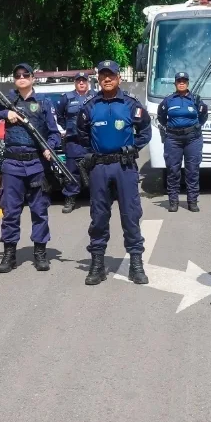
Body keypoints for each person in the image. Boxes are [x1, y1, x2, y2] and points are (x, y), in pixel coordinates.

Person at [77, 60, 152, 286]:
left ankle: (136, 264)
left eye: (111, 75)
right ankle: (98, 264)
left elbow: (145, 130)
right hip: (99, 168)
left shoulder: (130, 105)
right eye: (103, 76)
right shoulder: (90, 106)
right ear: (98, 79)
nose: (107, 79)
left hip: (124, 167)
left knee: (131, 215)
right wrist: (92, 152)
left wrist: (134, 147)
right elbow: (81, 133)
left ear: (119, 78)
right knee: (99, 216)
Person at [0, 63, 61, 273]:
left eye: (26, 75)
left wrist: (49, 148)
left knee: (39, 211)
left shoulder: (43, 102)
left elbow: (53, 133)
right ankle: (9, 254)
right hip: (12, 164)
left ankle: (40, 253)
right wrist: (5, 114)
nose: (22, 78)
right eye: (18, 75)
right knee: (10, 211)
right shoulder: (8, 100)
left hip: (36, 164)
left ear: (33, 78)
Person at [157, 71, 207, 213]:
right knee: (173, 170)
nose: (181, 83)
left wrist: (193, 128)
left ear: (188, 83)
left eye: (184, 81)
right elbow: (161, 117)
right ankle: (173, 201)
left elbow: (203, 116)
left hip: (193, 138)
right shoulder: (168, 100)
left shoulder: (196, 99)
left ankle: (192, 201)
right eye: (179, 81)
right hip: (173, 139)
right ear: (175, 83)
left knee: (192, 171)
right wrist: (172, 127)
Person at [57, 72, 96, 214]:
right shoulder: (66, 98)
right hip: (73, 141)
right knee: (71, 172)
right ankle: (70, 199)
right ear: (75, 83)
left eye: (84, 81)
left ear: (88, 82)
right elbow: (60, 117)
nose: (81, 83)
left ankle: (96, 199)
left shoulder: (96, 96)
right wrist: (69, 128)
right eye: (78, 81)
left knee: (94, 171)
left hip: (91, 141)